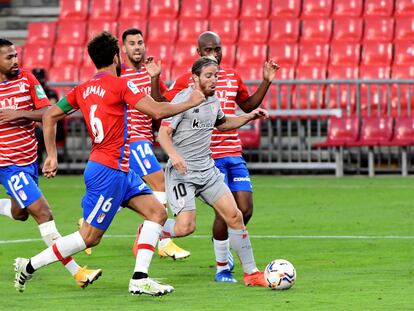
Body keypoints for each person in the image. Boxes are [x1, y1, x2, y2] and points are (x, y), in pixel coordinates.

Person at [13, 31, 204, 296]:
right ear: (116, 57)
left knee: (157, 213)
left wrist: (52, 155)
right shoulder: (120, 85)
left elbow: (49, 116)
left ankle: (140, 279)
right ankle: (29, 265)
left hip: (118, 169)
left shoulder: (82, 89)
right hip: (108, 172)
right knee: (89, 237)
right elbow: (158, 111)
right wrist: (191, 101)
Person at [164, 31, 279, 282]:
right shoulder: (183, 95)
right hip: (185, 169)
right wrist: (174, 155)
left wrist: (249, 116)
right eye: (208, 53)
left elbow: (224, 123)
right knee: (186, 227)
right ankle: (153, 229)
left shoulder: (216, 97)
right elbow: (162, 125)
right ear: (195, 75)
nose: (214, 57)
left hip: (212, 165)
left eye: (217, 50)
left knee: (238, 213)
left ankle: (250, 273)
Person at [0, 38, 102, 291]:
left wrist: (20, 114)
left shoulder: (26, 79)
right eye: (9, 57)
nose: (15, 61)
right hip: (8, 165)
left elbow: (49, 112)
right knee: (43, 213)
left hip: (28, 161)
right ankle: (77, 272)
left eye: (16, 55)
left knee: (20, 213)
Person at [120, 28, 190, 260]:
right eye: (132, 43)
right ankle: (162, 240)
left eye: (140, 42)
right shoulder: (119, 77)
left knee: (123, 192)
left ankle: (88, 221)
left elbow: (159, 106)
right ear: (124, 49)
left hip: (145, 139)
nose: (137, 47)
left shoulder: (150, 72)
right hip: (132, 140)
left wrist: (154, 78)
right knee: (160, 182)